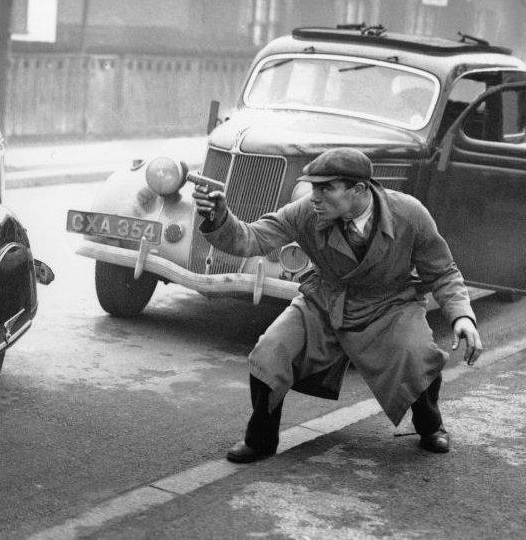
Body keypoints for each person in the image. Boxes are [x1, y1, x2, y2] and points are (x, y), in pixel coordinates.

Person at [192, 147, 483, 463]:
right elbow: (250, 239)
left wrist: (461, 316)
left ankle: (430, 426)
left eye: (325, 188)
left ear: (359, 189)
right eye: (313, 186)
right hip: (326, 301)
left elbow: (442, 271)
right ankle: (260, 440)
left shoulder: (409, 214)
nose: (314, 196)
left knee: (417, 355)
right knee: (270, 350)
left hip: (389, 304)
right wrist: (217, 216)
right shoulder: (306, 211)